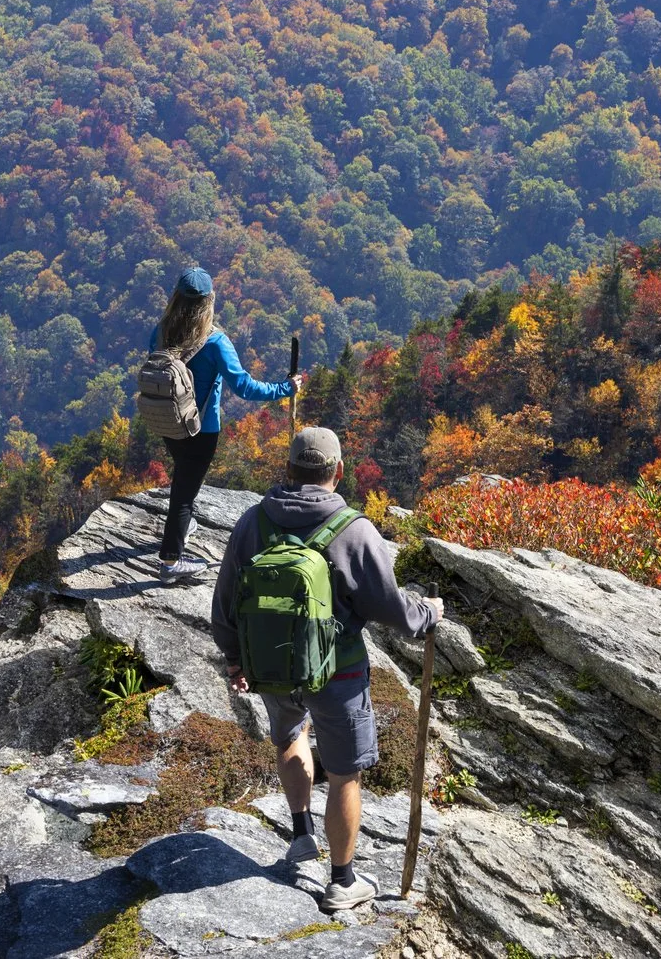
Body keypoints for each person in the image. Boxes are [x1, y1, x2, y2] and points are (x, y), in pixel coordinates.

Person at [210, 426, 443, 914]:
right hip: (338, 674)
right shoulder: (354, 530)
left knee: (290, 736)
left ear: (288, 470)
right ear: (337, 472)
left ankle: (301, 835)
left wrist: (236, 659)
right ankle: (342, 881)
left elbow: (226, 602)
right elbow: (391, 609)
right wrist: (429, 613)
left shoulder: (254, 523)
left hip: (271, 666)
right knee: (344, 776)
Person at [149, 267, 300, 581]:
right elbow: (244, 387)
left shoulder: (160, 331)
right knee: (184, 495)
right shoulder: (215, 342)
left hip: (167, 421)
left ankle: (184, 525)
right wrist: (285, 388)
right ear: (209, 302)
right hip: (201, 430)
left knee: (184, 477)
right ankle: (170, 562)